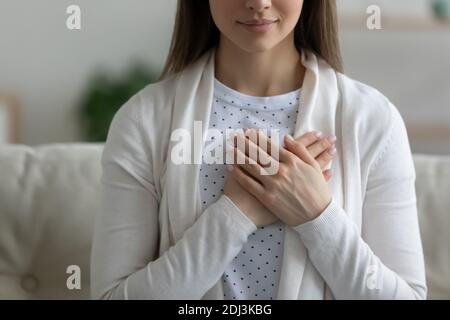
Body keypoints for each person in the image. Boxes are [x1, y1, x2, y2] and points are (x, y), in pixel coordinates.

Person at [90, 0, 427, 300]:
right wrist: (237, 213)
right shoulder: (143, 120)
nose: (258, 3)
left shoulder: (373, 121)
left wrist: (316, 216)